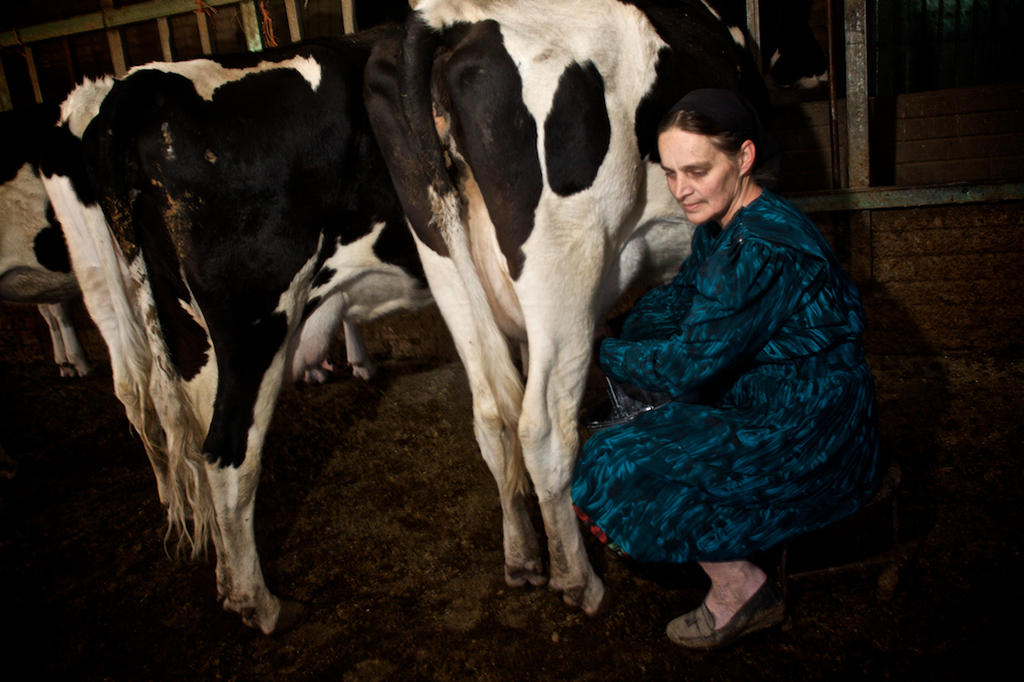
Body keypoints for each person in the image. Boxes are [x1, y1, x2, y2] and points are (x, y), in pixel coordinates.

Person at [571, 89, 881, 650]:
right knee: (624, 424)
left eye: (697, 170)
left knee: (614, 456)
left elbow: (689, 364)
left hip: (810, 423)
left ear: (742, 158)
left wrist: (601, 351)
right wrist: (617, 327)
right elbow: (680, 301)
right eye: (670, 173)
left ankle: (743, 586)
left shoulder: (761, 246)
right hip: (760, 393)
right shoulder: (721, 226)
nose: (681, 189)